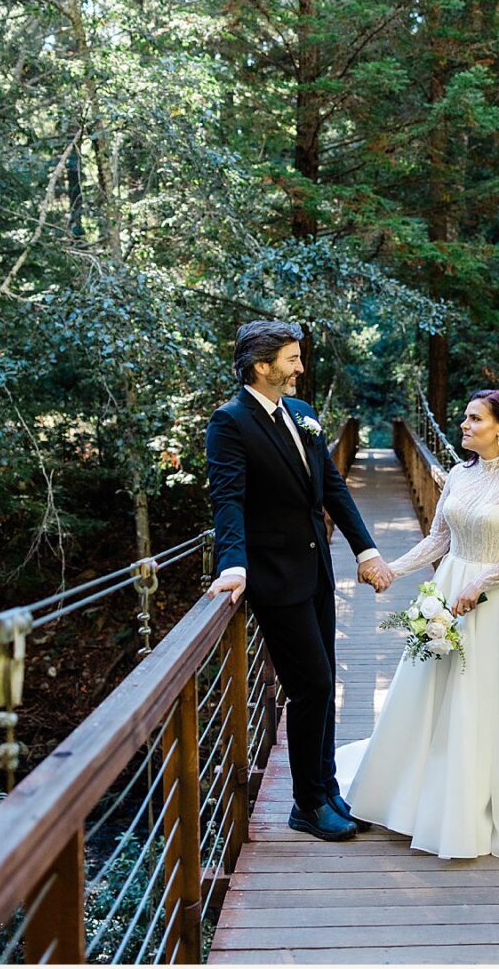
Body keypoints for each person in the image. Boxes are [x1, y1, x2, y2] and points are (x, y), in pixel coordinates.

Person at [334, 389, 499, 859]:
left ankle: (463, 813)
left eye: (475, 419)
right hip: (448, 591)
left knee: (473, 701)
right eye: (465, 418)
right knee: (426, 693)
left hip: (488, 602)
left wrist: (485, 581)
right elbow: (438, 540)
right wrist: (391, 569)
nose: (465, 426)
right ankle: (408, 797)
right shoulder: (457, 473)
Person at [204, 320, 395, 842]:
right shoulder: (230, 422)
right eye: (291, 359)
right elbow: (229, 499)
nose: (300, 368)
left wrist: (367, 550)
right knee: (309, 684)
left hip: (316, 572)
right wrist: (234, 565)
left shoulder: (303, 414)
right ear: (262, 367)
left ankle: (327, 789)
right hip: (272, 577)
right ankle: (306, 804)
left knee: (323, 680)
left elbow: (331, 486)